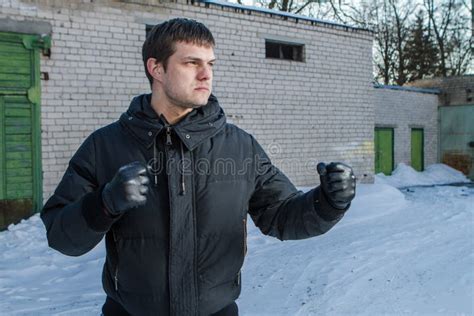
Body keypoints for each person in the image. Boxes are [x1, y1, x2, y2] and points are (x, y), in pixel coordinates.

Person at [41, 18, 356, 316]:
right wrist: (104, 204)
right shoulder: (105, 145)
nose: (206, 74)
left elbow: (282, 216)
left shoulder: (240, 147)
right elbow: (60, 236)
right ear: (157, 69)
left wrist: (327, 202)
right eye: (192, 63)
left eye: (210, 64)